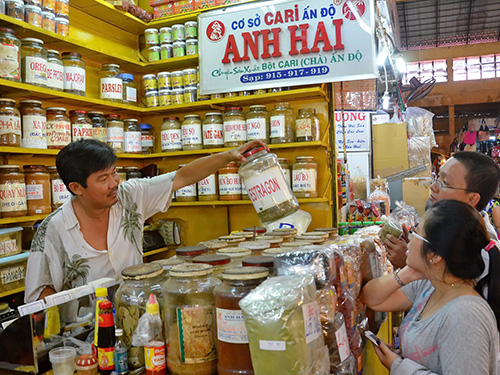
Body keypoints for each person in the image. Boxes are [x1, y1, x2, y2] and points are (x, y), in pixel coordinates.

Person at [25, 139, 266, 303]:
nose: (114, 183)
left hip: (139, 312)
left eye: (114, 173)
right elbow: (39, 294)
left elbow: (181, 177)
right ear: (76, 187)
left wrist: (228, 156)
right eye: (103, 179)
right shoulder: (53, 229)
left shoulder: (130, 195)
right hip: (86, 335)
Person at [361, 200, 500, 374]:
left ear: (434, 255)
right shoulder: (431, 285)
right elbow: (371, 298)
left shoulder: (465, 315)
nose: (409, 239)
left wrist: (400, 366)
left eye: (416, 233)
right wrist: (408, 272)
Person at [384, 151, 500, 269]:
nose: (433, 186)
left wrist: (409, 263)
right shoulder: (447, 226)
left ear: (472, 198)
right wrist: (412, 247)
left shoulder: (482, 252)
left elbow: (449, 285)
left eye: (445, 182)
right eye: (438, 177)